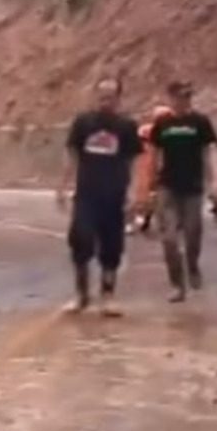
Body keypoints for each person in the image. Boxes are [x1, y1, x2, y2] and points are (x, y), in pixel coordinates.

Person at [57, 77, 144, 316]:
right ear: (96, 96)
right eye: (102, 95)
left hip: (114, 194)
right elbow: (71, 154)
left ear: (118, 98)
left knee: (111, 246)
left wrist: (134, 190)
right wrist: (62, 187)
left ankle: (108, 295)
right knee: (80, 240)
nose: (106, 101)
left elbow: (134, 161)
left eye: (111, 96)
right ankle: (81, 294)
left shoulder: (126, 126)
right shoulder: (83, 123)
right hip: (86, 194)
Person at [149, 81, 217, 303]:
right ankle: (177, 284)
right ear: (171, 98)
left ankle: (192, 265)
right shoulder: (162, 124)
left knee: (193, 233)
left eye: (187, 97)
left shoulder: (199, 122)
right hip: (168, 186)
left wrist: (216, 181)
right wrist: (148, 185)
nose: (184, 101)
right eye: (180, 97)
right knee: (169, 238)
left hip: (192, 187)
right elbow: (152, 154)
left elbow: (212, 150)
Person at [130, 106, 174, 235]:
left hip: (165, 165)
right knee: (147, 193)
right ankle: (145, 217)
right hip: (149, 163)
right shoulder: (147, 131)